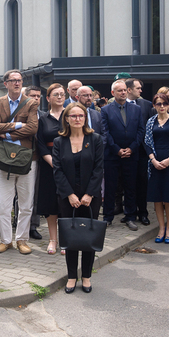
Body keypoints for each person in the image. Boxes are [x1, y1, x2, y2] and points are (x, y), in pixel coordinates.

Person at [52, 103, 104, 294]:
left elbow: (99, 169)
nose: (77, 119)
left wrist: (89, 194)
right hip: (68, 197)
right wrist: (70, 195)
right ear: (66, 119)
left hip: (91, 197)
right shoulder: (59, 142)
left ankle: (87, 277)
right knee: (71, 237)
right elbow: (57, 170)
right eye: (73, 116)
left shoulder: (95, 139)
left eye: (80, 116)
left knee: (89, 237)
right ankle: (72, 276)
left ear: (85, 118)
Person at [0, 69, 39, 254]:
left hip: (27, 158)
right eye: (13, 80)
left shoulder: (31, 103)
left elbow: (33, 128)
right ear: (6, 84)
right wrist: (18, 125)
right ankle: (5, 240)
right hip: (4, 159)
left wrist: (6, 133)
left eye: (19, 80)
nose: (17, 83)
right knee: (3, 203)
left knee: (26, 203)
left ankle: (22, 240)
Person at [100, 79, 144, 230]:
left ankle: (130, 217)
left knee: (130, 187)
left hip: (131, 155)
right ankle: (107, 217)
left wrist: (131, 148)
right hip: (112, 155)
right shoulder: (105, 110)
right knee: (111, 188)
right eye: (120, 90)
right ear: (113, 93)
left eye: (125, 90)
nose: (123, 92)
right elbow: (105, 132)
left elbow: (140, 131)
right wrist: (116, 149)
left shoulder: (136, 109)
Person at [144, 93, 169, 243]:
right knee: (157, 198)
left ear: (168, 105)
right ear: (154, 105)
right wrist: (153, 160)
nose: (161, 106)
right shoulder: (150, 121)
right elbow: (146, 142)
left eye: (164, 104)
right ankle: (160, 228)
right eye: (158, 104)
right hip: (154, 163)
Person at [36, 83, 66, 255]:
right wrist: (53, 162)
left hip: (69, 166)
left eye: (62, 94)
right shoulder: (43, 119)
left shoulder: (70, 116)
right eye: (56, 94)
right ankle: (53, 240)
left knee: (66, 203)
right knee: (51, 204)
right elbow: (40, 144)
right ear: (48, 98)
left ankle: (66, 240)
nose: (60, 97)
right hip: (49, 167)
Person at [125, 78, 154, 226]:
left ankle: (143, 212)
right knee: (128, 184)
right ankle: (129, 213)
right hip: (126, 152)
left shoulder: (147, 105)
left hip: (142, 151)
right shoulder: (120, 105)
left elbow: (148, 129)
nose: (141, 91)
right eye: (138, 88)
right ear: (129, 89)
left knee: (142, 183)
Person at [24, 85, 46, 241]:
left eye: (38, 96)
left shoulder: (44, 116)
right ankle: (22, 225)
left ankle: (33, 226)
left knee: (37, 193)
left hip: (41, 158)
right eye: (33, 96)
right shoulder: (21, 115)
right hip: (24, 158)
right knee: (24, 194)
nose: (36, 99)